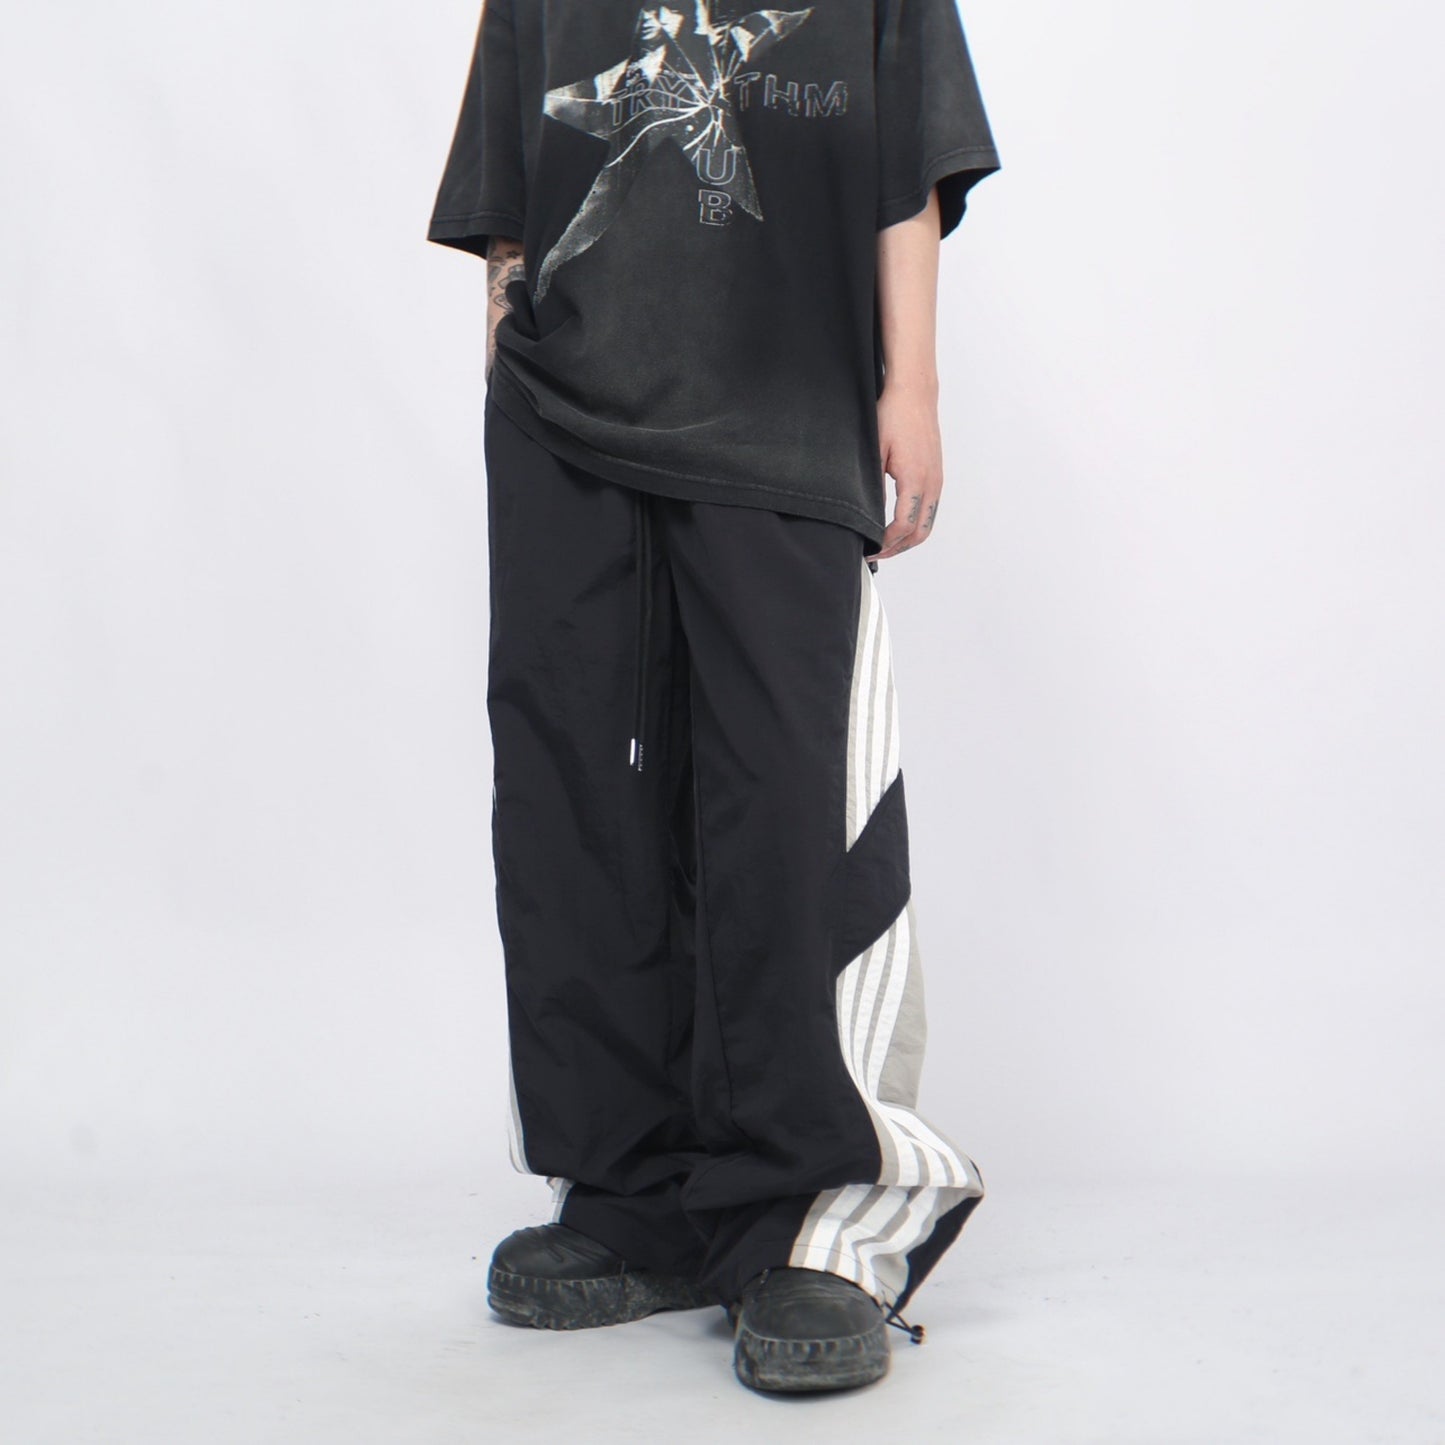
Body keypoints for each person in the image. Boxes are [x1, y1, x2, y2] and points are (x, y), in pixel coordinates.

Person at [426, 0, 1001, 1394]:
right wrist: (505, 359)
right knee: (573, 805)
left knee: (784, 806)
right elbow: (509, 190)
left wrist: (912, 387)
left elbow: (906, 167)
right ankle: (633, 1193)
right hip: (562, 425)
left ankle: (814, 1216)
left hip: (780, 412)